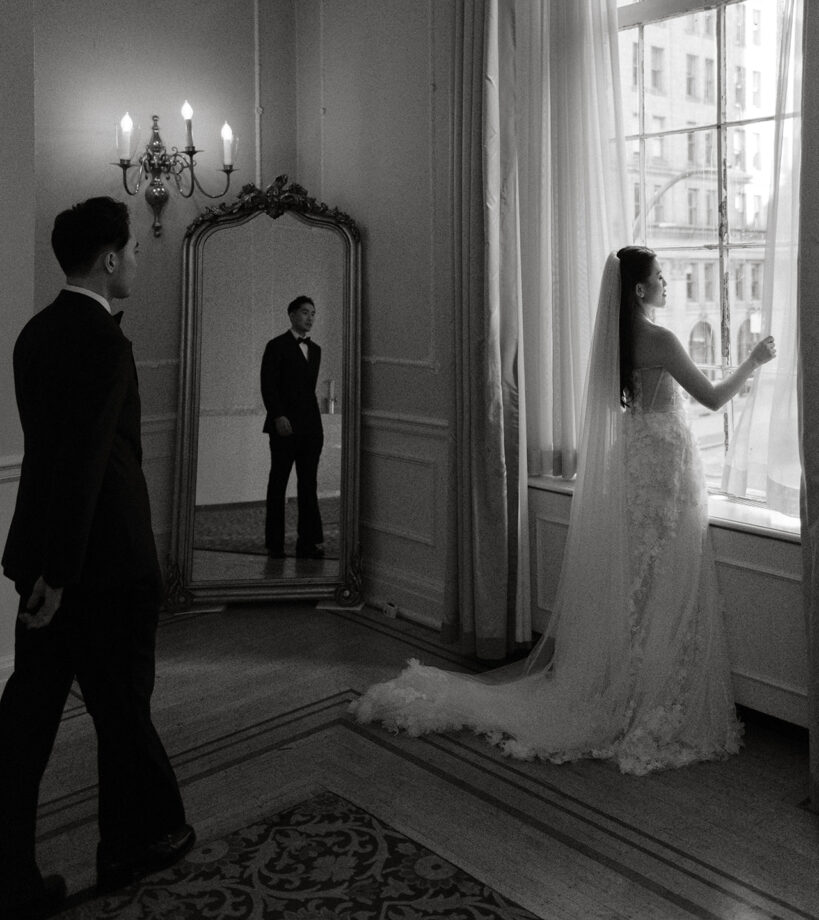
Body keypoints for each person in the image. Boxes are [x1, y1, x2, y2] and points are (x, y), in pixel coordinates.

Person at [350, 247, 777, 775]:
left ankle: (623, 683)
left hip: (637, 458)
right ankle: (649, 692)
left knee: (637, 579)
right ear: (640, 290)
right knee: (663, 575)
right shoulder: (660, 338)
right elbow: (711, 398)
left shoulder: (617, 337)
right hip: (664, 462)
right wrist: (754, 362)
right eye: (660, 277)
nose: (667, 282)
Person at [0, 197, 194, 918]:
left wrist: (43, 567)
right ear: (110, 257)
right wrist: (61, 572)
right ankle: (130, 846)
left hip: (43, 557)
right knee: (121, 710)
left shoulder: (32, 334)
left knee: (27, 723)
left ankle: (10, 873)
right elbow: (83, 465)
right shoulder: (105, 344)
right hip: (101, 567)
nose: (137, 263)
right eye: (133, 253)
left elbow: (49, 461)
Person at [261, 295, 325, 559]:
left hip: (311, 428)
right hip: (283, 425)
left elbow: (306, 391)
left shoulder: (316, 350)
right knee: (278, 482)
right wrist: (278, 416)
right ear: (291, 315)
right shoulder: (276, 345)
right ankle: (274, 541)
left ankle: (309, 539)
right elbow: (268, 384)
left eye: (313, 313)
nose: (309, 318)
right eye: (304, 312)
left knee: (308, 484)